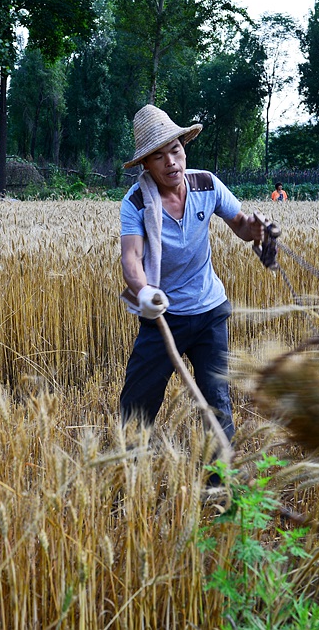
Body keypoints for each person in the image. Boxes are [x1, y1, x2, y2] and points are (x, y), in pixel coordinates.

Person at [118, 104, 264, 446]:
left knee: (217, 403)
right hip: (162, 314)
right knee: (136, 404)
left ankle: (220, 489)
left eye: (175, 150)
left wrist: (255, 228)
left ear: (184, 150)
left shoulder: (206, 184)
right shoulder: (136, 202)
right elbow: (131, 258)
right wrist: (143, 293)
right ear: (146, 164)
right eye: (159, 156)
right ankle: (129, 476)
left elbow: (241, 225)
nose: (171, 162)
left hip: (210, 311)